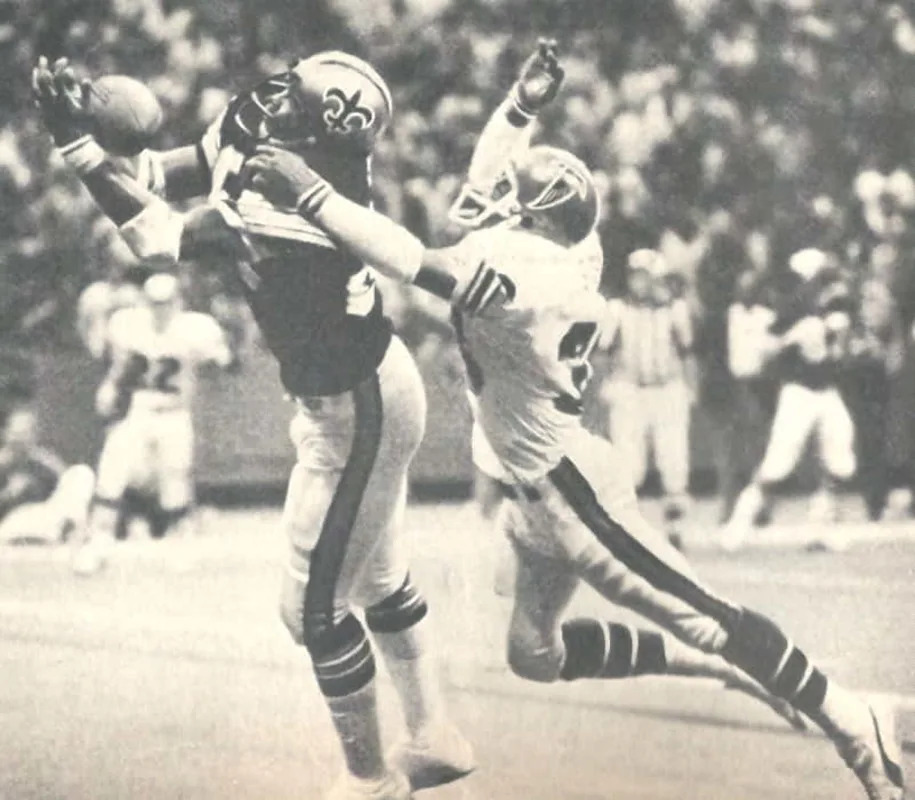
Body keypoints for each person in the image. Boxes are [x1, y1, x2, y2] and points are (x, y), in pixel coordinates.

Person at [242, 109, 905, 800]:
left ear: (533, 218)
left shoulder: (520, 275)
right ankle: (729, 670)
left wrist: (311, 192)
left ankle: (856, 724)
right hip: (537, 493)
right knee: (534, 655)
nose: (490, 201)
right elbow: (484, 182)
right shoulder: (571, 250)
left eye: (511, 198)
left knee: (707, 615)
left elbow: (409, 260)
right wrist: (517, 113)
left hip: (572, 494)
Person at [33, 51, 471, 800]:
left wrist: (77, 148)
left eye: (292, 103)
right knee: (373, 579)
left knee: (311, 610)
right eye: (285, 86)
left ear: (319, 131)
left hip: (360, 403)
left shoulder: (306, 200)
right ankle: (434, 735)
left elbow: (156, 235)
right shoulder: (261, 115)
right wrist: (106, 138)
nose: (273, 100)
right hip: (354, 393)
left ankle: (369, 781)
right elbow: (172, 174)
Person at [71, 271, 234, 574]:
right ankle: (98, 543)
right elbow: (123, 365)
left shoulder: (195, 328)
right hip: (139, 410)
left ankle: (180, 547)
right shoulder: (129, 325)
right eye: (155, 302)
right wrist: (110, 386)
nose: (161, 309)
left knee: (176, 481)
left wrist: (216, 359)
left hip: (175, 413)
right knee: (112, 472)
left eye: (166, 302)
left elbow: (224, 363)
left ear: (178, 301)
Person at [722, 248, 857, 550]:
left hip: (827, 392)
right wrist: (790, 340)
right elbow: (767, 348)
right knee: (777, 466)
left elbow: (839, 345)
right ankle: (738, 525)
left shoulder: (834, 306)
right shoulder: (793, 310)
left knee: (841, 463)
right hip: (799, 393)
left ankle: (819, 528)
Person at [596, 249, 694, 547]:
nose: (639, 282)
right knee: (629, 464)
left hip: (667, 389)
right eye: (635, 275)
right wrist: (606, 384)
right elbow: (603, 352)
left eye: (645, 276)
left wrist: (691, 388)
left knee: (673, 460)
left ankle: (674, 528)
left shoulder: (676, 309)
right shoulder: (616, 310)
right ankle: (627, 528)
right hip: (630, 389)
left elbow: (688, 353)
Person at [0, 405, 95, 546]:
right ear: (6, 433)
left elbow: (69, 490)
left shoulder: (44, 463)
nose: (21, 439)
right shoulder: (3, 464)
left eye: (26, 433)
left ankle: (74, 534)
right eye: (17, 433)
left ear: (35, 435)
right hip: (9, 524)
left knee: (81, 473)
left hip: (43, 521)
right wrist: (9, 494)